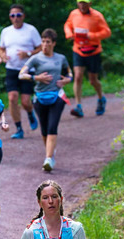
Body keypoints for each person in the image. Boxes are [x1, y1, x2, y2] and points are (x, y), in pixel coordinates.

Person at [19, 29, 72, 172]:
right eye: (43, 41)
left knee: (52, 127)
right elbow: (21, 74)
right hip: (40, 97)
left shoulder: (60, 58)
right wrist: (36, 78)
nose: (45, 44)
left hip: (57, 96)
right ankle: (50, 153)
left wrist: (67, 80)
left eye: (48, 42)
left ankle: (48, 159)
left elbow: (69, 73)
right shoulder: (35, 58)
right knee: (44, 129)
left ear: (54, 43)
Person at [0, 4, 42, 139]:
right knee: (12, 98)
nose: (15, 18)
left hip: (27, 69)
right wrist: (3, 56)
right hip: (11, 68)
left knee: (25, 101)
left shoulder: (31, 30)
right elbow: (1, 49)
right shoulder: (6, 31)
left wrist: (28, 53)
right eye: (13, 15)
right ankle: (19, 128)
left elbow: (40, 48)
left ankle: (30, 113)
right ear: (10, 17)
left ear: (23, 16)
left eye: (18, 15)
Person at [63, 0, 111, 118]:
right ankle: (78, 106)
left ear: (90, 4)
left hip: (93, 51)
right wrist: (69, 34)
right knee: (78, 76)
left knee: (92, 80)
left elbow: (107, 32)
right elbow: (67, 25)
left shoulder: (97, 16)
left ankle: (101, 98)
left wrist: (92, 35)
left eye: (85, 3)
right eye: (80, 3)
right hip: (78, 49)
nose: (82, 5)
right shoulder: (74, 14)